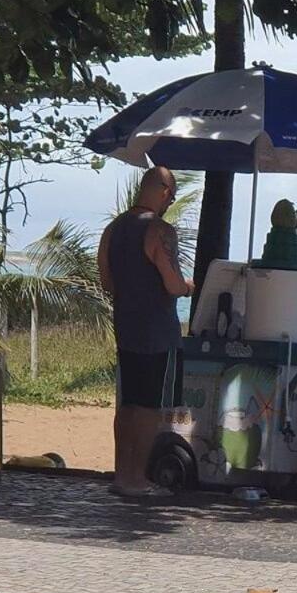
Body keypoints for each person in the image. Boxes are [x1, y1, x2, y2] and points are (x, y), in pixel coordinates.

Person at [98, 166, 192, 498]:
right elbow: (173, 283)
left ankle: (122, 474)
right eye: (173, 195)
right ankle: (137, 478)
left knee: (127, 406)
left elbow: (106, 281)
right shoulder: (159, 230)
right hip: (157, 330)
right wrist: (188, 287)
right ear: (164, 192)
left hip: (126, 327)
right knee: (150, 409)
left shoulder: (113, 229)